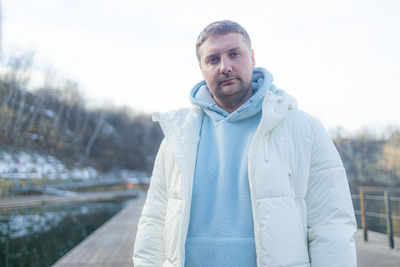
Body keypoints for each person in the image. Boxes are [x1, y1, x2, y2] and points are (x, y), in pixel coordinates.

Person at [133, 20, 357, 267]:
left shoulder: (303, 129)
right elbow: (153, 222)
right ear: (201, 68)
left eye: (234, 54)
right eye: (213, 59)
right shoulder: (178, 137)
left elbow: (332, 226)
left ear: (251, 57)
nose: (225, 67)